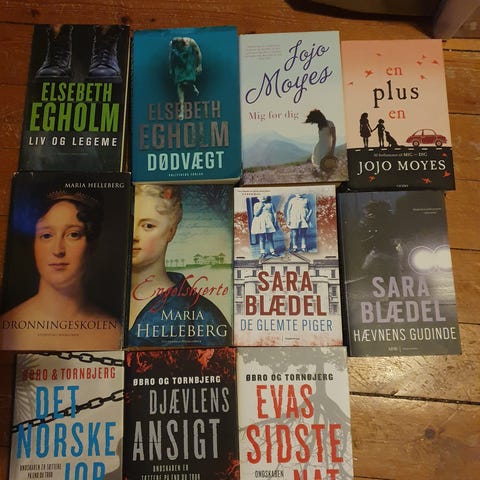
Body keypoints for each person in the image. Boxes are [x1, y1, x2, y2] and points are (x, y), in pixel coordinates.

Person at [0, 190, 121, 350]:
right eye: (46, 235)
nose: (58, 250)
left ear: (91, 245)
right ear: (34, 244)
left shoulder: (114, 334)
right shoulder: (8, 328)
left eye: (73, 234)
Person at [128, 185, 232, 347]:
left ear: (171, 231)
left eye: (148, 226)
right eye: (128, 223)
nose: (134, 236)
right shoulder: (101, 303)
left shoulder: (202, 316)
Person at [169, 36, 202, 120]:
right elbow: (171, 56)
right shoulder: (174, 45)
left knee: (187, 82)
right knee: (180, 85)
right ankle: (181, 110)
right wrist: (171, 68)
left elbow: (198, 52)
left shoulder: (191, 42)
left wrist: (199, 64)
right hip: (179, 64)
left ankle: (192, 87)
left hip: (188, 63)